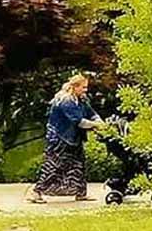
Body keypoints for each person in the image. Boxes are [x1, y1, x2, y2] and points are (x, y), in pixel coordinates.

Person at [29, 74, 104, 203]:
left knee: (78, 164)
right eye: (83, 87)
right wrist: (97, 125)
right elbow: (79, 121)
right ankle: (36, 192)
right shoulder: (65, 101)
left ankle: (80, 193)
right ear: (75, 87)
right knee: (54, 165)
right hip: (59, 138)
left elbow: (91, 113)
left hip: (73, 137)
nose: (86, 90)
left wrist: (99, 121)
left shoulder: (81, 99)